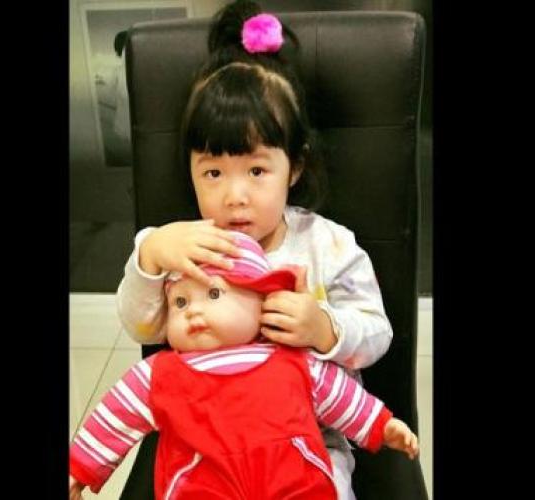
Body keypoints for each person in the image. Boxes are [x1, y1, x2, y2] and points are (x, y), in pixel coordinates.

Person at [116, 2, 394, 498]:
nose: (235, 195)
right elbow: (142, 327)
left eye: (257, 170)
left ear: (295, 167)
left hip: (310, 441)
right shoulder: (181, 246)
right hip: (203, 444)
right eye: (213, 172)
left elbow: (378, 335)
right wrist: (151, 256)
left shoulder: (327, 245)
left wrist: (324, 327)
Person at [70, 232, 417, 499]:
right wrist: (79, 470)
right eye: (180, 302)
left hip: (294, 485)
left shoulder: (295, 361)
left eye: (214, 294)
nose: (192, 310)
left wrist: (381, 425)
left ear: (261, 302)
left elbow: (343, 399)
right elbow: (113, 420)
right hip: (202, 487)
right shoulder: (158, 374)